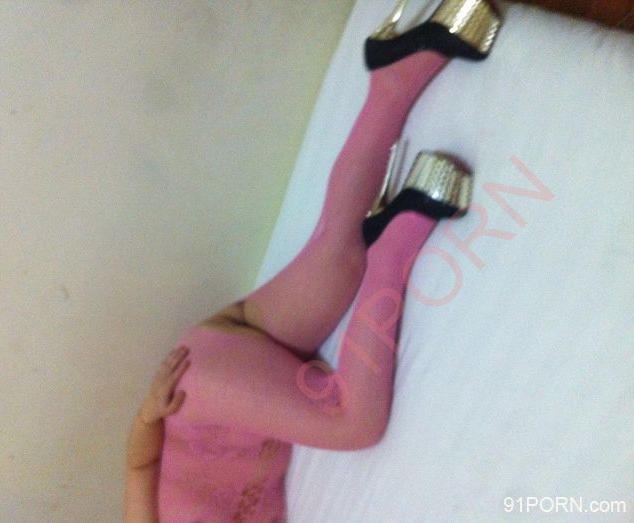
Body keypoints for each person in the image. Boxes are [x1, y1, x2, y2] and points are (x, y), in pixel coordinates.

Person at [123, 0, 503, 521]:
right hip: (237, 370)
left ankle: (394, 244)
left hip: (204, 399)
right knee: (338, 255)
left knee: (356, 425)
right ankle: (392, 78)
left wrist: (148, 415)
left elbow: (140, 468)